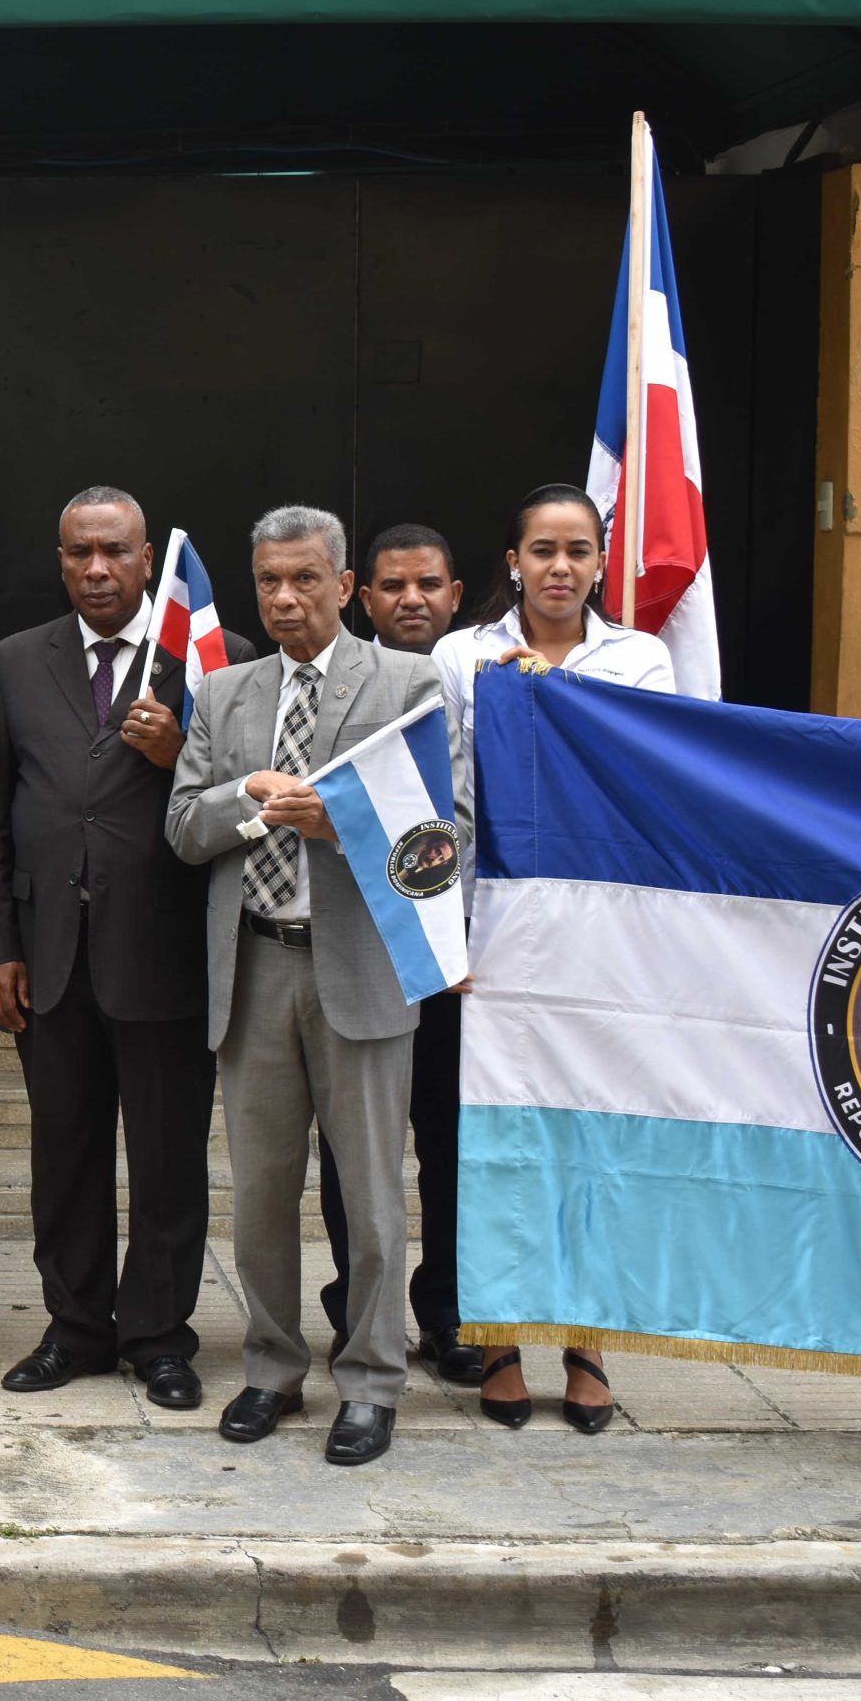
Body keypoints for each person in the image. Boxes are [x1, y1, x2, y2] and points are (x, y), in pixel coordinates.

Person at [166, 505, 461, 1468]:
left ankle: (372, 1382)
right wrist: (247, 801)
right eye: (268, 584)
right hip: (251, 967)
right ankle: (271, 1367)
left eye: (304, 580)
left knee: (374, 1196)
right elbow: (181, 825)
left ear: (345, 586)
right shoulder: (223, 691)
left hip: (364, 968)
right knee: (257, 1195)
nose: (285, 599)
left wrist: (337, 820)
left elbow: (449, 831)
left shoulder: (411, 680)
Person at [0, 487, 252, 1410]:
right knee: (66, 1156)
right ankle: (77, 1327)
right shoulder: (16, 659)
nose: (97, 569)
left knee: (168, 1161)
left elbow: (243, 807)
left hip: (163, 953)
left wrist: (183, 756)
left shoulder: (214, 661)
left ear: (145, 560)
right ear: (60, 560)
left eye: (115, 552)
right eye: (80, 553)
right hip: (50, 955)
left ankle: (161, 1336)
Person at [432, 484, 674, 1434]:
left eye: (578, 550)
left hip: (600, 928)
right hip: (496, 923)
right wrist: (446, 930)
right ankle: (499, 1341)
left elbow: (651, 779)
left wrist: (553, 698)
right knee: (497, 1137)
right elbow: (448, 794)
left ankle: (587, 1346)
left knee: (590, 1136)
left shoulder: (642, 658)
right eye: (542, 550)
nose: (560, 567)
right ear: (513, 563)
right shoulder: (464, 653)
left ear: (602, 563)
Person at [316, 524, 483, 1391]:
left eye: (428, 584)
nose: (411, 598)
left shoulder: (486, 680)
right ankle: (354, 1304)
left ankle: (448, 1314)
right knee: (352, 1147)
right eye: (392, 586)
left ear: (458, 595)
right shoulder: (334, 681)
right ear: (362, 596)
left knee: (447, 1142)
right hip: (356, 951)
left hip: (455, 961)